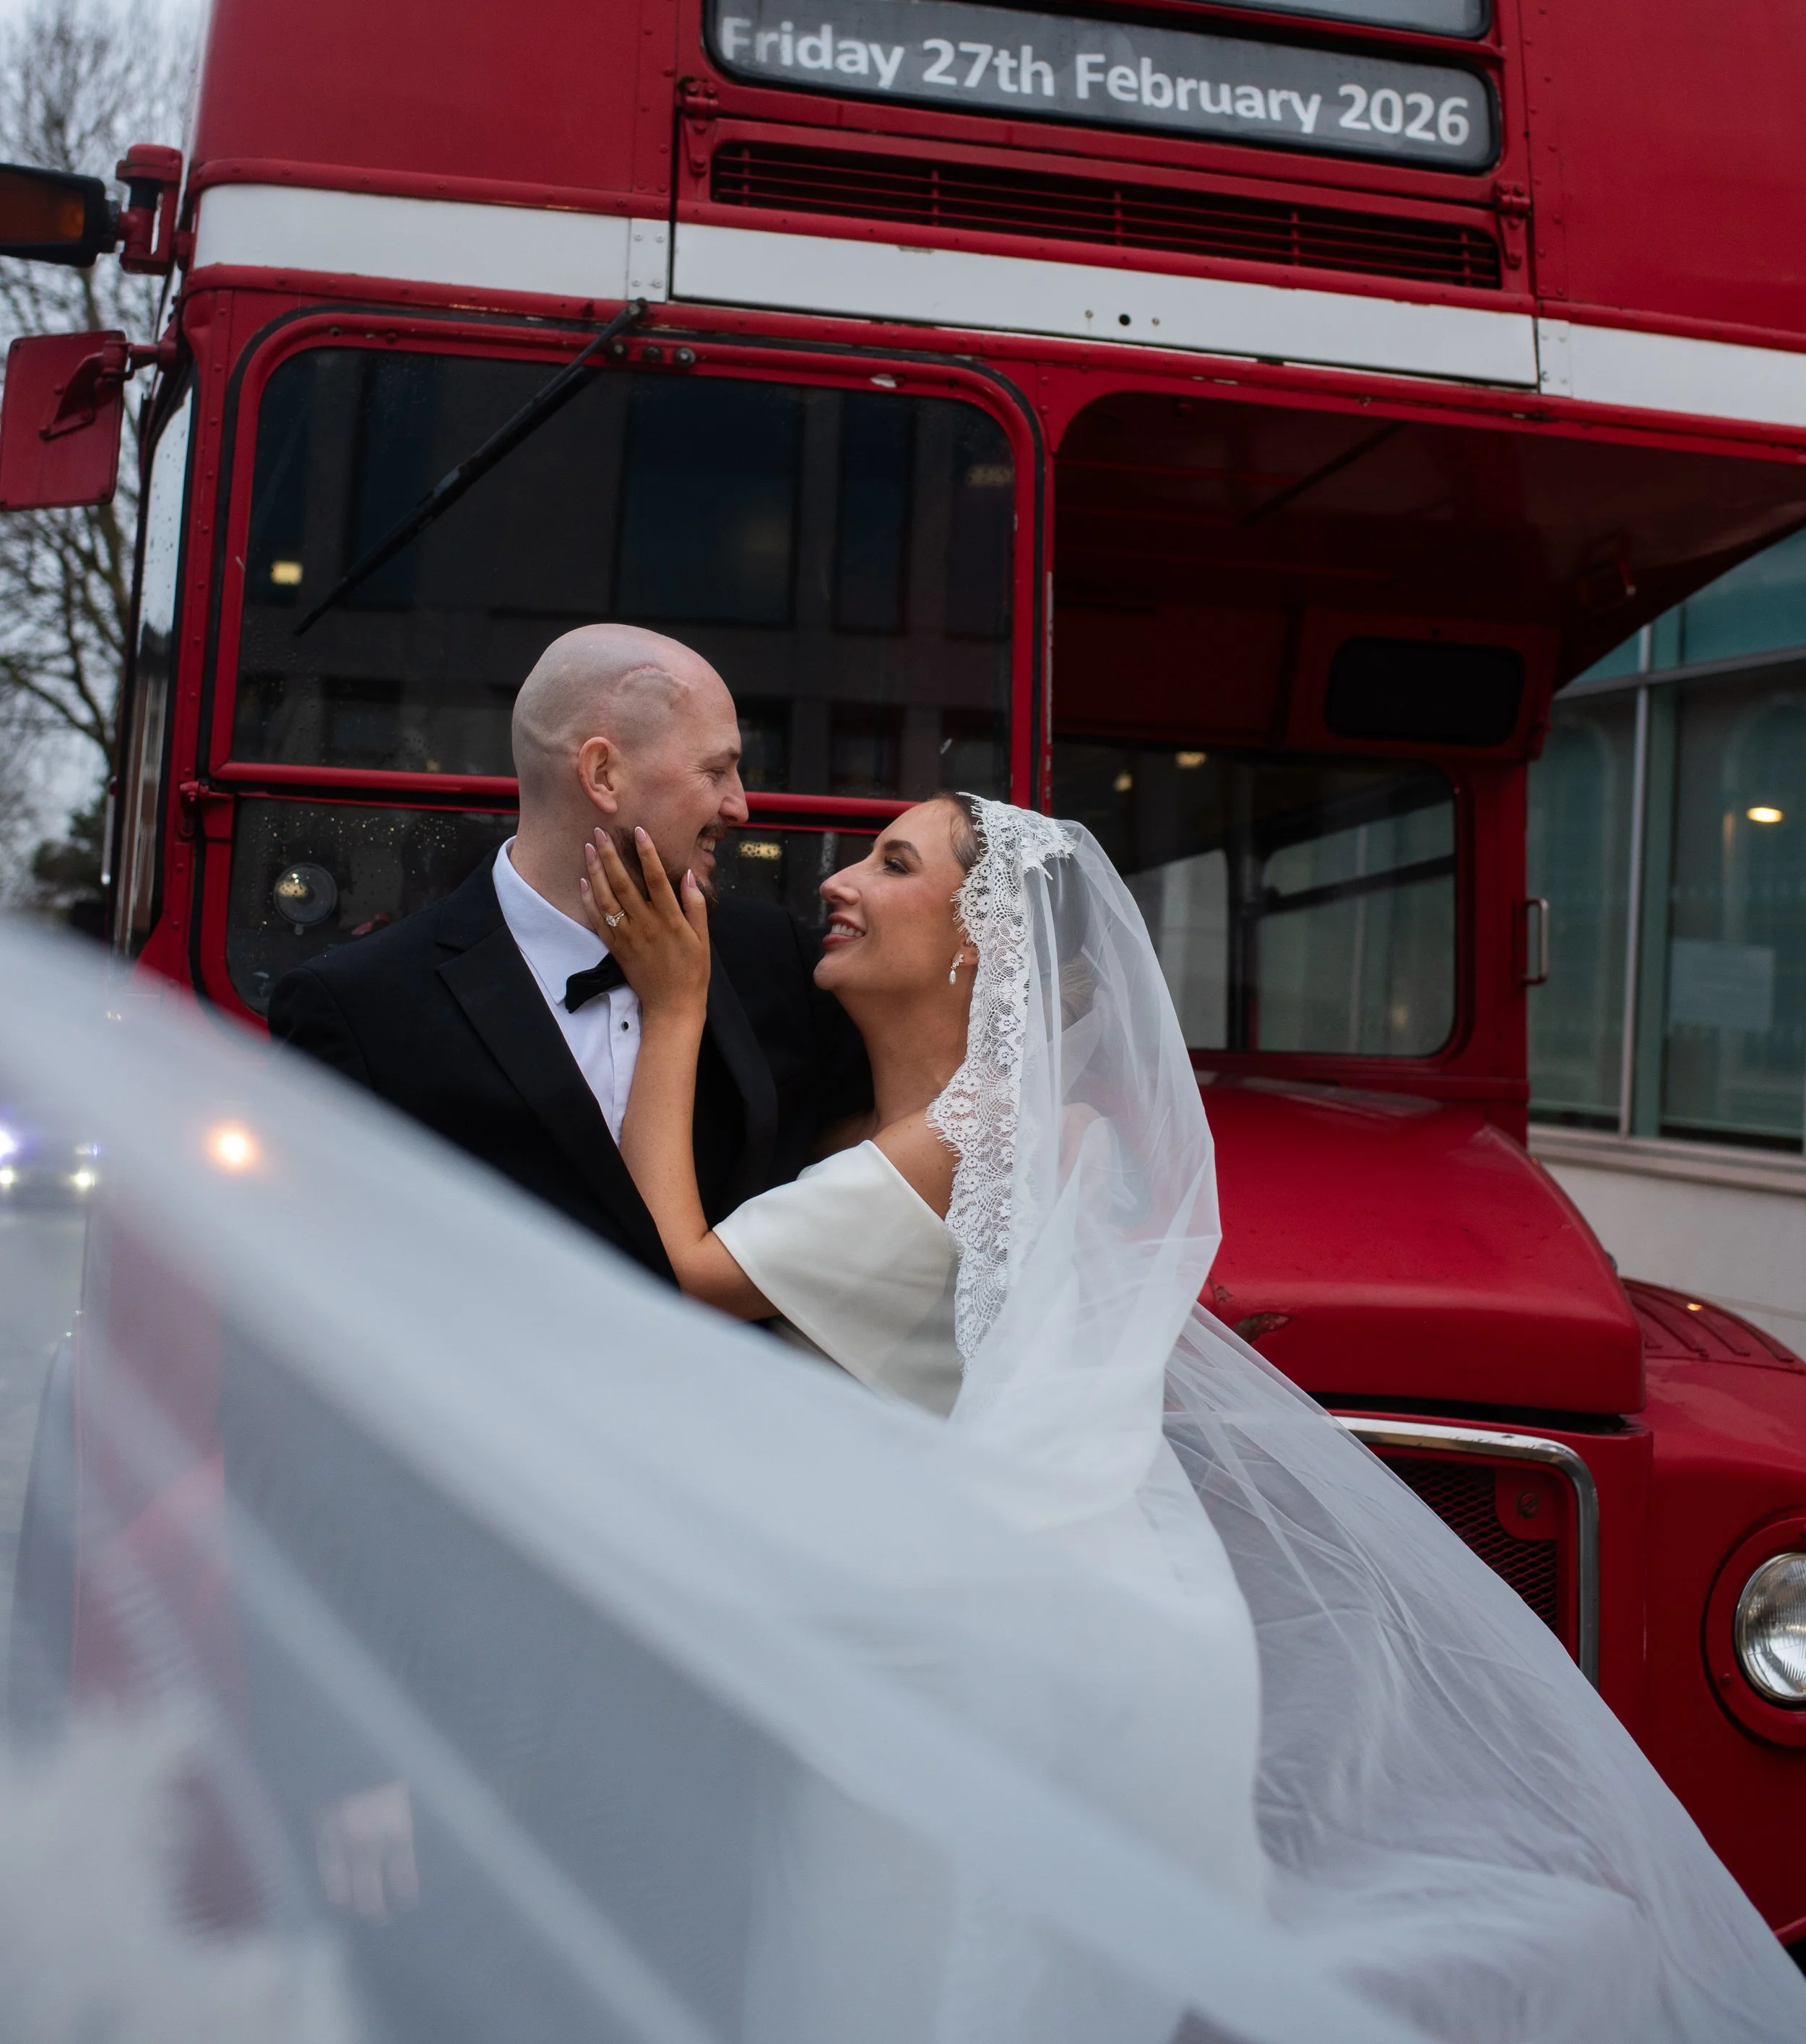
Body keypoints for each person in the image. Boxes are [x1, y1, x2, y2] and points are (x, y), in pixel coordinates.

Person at [576, 788, 1806, 2044]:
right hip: (921, 1623)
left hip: (944, 1649)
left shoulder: (981, 1134)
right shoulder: (931, 1132)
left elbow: (689, 1269)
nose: (837, 883)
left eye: (891, 864)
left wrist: (672, 1003)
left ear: (980, 944)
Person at [268, 625, 870, 1281]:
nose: (740, 805)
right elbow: (320, 1283)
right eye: (716, 769)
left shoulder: (775, 957)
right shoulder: (359, 1007)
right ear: (603, 773)